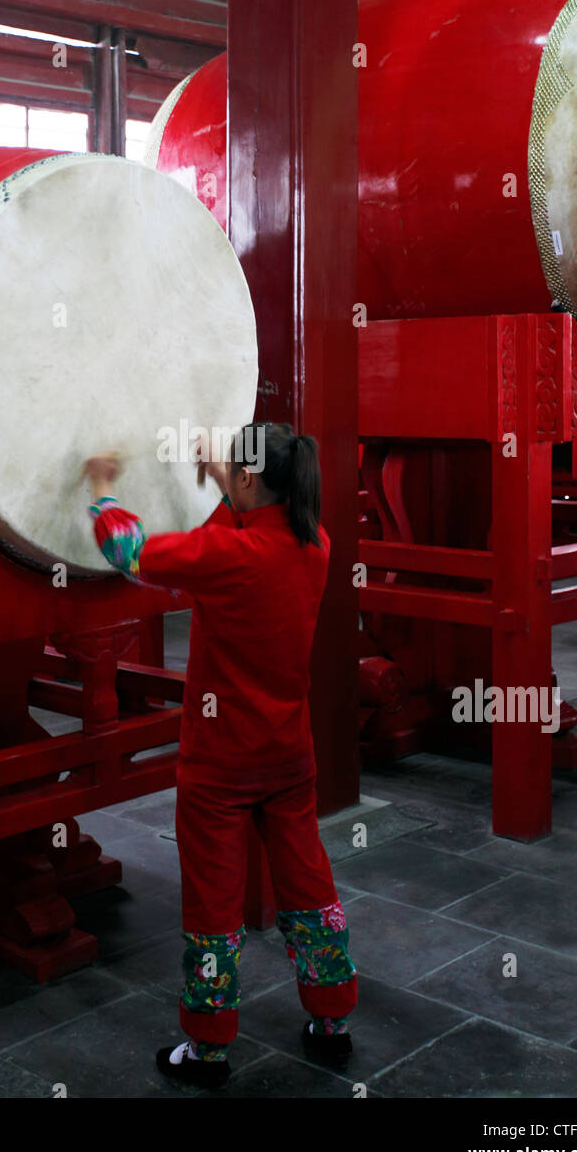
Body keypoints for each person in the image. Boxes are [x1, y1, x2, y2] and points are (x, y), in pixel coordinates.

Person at [83, 422, 357, 1089]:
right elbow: (248, 529)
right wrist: (221, 471)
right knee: (308, 886)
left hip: (220, 764)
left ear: (247, 482)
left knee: (213, 902)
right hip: (289, 755)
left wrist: (100, 488)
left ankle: (206, 1048)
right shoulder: (315, 543)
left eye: (232, 471)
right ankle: (331, 1020)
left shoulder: (227, 555)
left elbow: (131, 551)